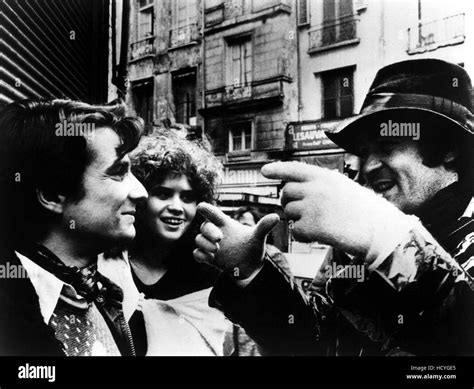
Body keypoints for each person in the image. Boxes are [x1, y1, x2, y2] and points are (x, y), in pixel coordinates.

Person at [193, 59, 474, 355]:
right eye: (364, 152)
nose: (368, 166)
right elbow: (317, 342)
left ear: (449, 149)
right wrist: (252, 275)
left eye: (388, 145)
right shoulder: (354, 250)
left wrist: (387, 240)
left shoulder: (377, 236)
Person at [0, 99, 148, 355]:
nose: (142, 192)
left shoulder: (99, 293)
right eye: (118, 172)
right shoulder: (9, 317)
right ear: (52, 193)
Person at [99, 128, 233, 356]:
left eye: (188, 197)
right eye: (163, 194)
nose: (176, 207)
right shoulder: (103, 261)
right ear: (140, 197)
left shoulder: (209, 274)